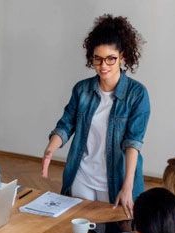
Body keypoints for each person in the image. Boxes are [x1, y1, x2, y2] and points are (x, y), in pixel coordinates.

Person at [42, 14, 150, 218]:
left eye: (111, 59)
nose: (103, 65)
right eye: (98, 59)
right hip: (81, 175)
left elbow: (133, 144)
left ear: (123, 57)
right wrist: (50, 149)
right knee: (76, 229)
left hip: (117, 179)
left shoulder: (137, 94)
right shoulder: (82, 90)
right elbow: (66, 125)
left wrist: (127, 186)